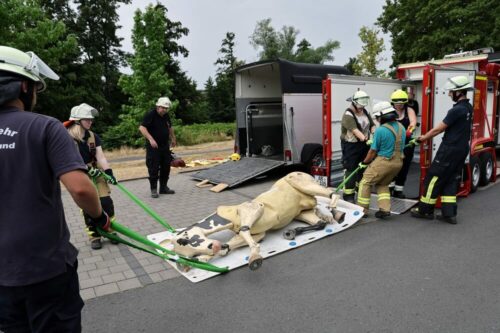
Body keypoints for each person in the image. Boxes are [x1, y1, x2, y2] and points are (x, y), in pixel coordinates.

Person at [0, 46, 110, 332]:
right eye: (35, 86)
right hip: (44, 268)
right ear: (23, 86)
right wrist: (100, 219)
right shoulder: (45, 127)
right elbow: (82, 190)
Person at [411, 75, 474, 224]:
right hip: (461, 149)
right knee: (451, 179)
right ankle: (449, 214)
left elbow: (439, 129)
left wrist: (423, 138)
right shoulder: (468, 108)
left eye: (451, 91)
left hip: (449, 149)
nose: (449, 94)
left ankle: (424, 210)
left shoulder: (456, 110)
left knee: (433, 177)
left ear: (458, 92)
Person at [64, 103, 118, 250]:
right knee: (88, 205)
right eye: (87, 119)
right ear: (77, 120)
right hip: (79, 173)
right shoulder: (67, 138)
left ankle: (110, 230)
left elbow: (100, 156)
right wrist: (86, 169)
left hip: (96, 172)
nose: (90, 121)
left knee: (106, 202)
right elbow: (69, 159)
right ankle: (95, 235)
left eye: (91, 119)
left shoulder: (93, 137)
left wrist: (108, 172)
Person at [356, 101, 406, 218]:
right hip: (398, 162)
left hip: (384, 161)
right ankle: (384, 209)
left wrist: (364, 163)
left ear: (381, 116)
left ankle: (362, 211)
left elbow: (372, 151)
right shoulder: (401, 127)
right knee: (383, 183)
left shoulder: (381, 130)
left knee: (365, 182)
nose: (377, 120)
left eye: (377, 117)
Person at [340, 90, 376, 203]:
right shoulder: (348, 115)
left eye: (363, 106)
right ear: (354, 103)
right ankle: (348, 196)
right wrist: (366, 140)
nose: (361, 108)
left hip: (364, 145)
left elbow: (372, 125)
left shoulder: (365, 111)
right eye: (360, 106)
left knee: (362, 168)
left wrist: (374, 135)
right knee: (351, 169)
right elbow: (355, 131)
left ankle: (360, 191)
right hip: (351, 145)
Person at [139, 97, 177, 198]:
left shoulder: (166, 115)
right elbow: (142, 128)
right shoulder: (151, 114)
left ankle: (163, 188)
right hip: (154, 147)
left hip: (165, 146)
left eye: (166, 108)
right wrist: (151, 139)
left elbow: (169, 127)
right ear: (158, 106)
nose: (164, 109)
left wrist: (173, 138)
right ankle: (154, 189)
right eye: (162, 107)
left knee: (166, 167)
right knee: (153, 168)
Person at [390, 89, 418, 198]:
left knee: (404, 167)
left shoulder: (409, 110)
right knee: (392, 166)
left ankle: (398, 190)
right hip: (392, 143)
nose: (399, 106)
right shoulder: (389, 111)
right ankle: (390, 187)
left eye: (401, 103)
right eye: (397, 103)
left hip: (406, 143)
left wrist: (409, 131)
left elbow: (413, 122)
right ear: (393, 102)